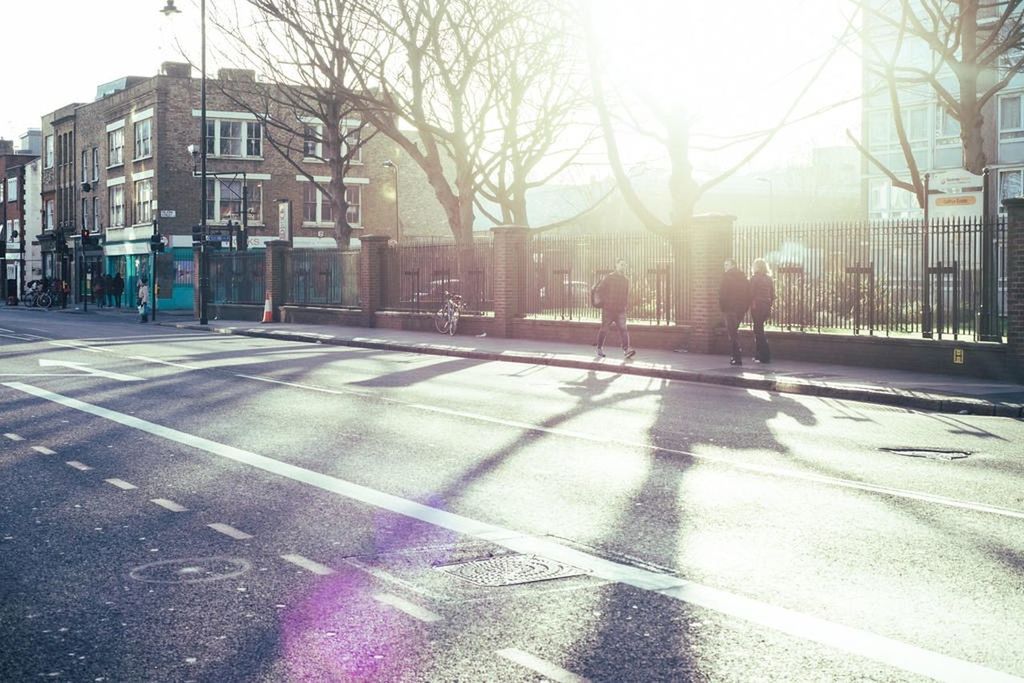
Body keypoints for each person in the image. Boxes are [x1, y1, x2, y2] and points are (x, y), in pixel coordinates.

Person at [592, 258, 636, 359]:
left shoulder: (626, 280)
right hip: (608, 309)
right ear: (616, 265)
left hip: (620, 310)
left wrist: (625, 305)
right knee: (604, 329)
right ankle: (599, 348)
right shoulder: (609, 278)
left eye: (624, 265)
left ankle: (627, 350)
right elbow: (599, 290)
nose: (623, 266)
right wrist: (604, 302)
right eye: (621, 264)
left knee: (623, 329)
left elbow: (626, 295)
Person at [719, 258, 751, 366]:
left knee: (732, 334)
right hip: (740, 310)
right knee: (734, 332)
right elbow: (748, 294)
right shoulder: (743, 278)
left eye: (727, 264)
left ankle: (737, 358)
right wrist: (745, 308)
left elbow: (722, 295)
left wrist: (723, 308)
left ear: (733, 265)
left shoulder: (726, 278)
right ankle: (735, 356)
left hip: (730, 309)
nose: (725, 267)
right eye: (725, 265)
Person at [750, 258, 775, 364]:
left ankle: (765, 355)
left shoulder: (754, 278)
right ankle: (758, 355)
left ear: (757, 267)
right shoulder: (769, 279)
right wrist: (769, 304)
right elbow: (773, 295)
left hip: (757, 306)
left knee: (758, 331)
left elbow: (750, 293)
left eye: (754, 265)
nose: (753, 267)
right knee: (759, 329)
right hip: (766, 306)